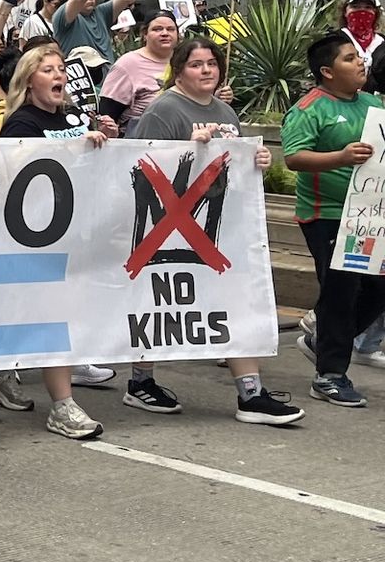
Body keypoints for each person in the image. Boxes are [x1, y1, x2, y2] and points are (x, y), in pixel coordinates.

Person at [126, 36, 304, 424]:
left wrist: (257, 158)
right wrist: (186, 149)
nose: (206, 70)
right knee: (161, 304)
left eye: (211, 63)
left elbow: (232, 163)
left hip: (220, 226)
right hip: (169, 229)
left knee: (235, 299)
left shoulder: (225, 110)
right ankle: (140, 381)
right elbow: (137, 165)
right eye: (195, 64)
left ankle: (251, 394)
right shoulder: (163, 111)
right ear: (179, 69)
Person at [0, 45, 113, 439]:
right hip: (40, 239)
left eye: (61, 69)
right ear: (30, 80)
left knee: (52, 317)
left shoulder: (75, 118)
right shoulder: (20, 123)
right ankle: (62, 406)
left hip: (77, 234)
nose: (59, 75)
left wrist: (105, 142)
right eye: (48, 70)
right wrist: (75, 146)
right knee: (53, 320)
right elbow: (18, 172)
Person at [283, 30, 385, 409]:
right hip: (326, 215)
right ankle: (330, 375)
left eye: (359, 56)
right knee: (342, 293)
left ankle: (320, 340)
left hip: (371, 214)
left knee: (377, 289)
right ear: (327, 71)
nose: (360, 62)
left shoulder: (373, 103)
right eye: (349, 58)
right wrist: (340, 157)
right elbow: (294, 158)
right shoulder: (310, 109)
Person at [100, 10, 177, 133]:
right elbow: (107, 114)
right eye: (157, 29)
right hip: (137, 142)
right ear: (145, 34)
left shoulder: (186, 61)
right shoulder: (127, 64)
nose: (165, 33)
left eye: (170, 29)